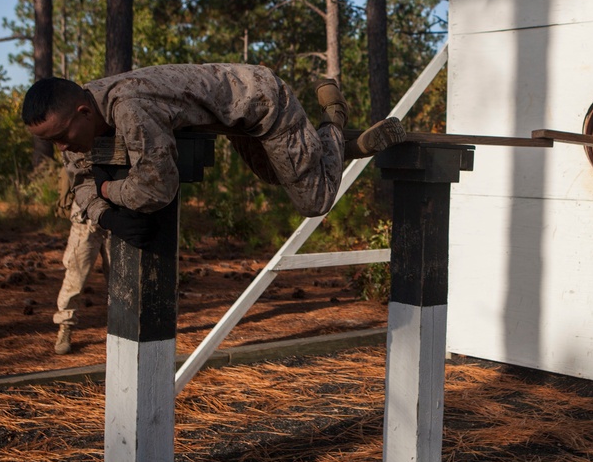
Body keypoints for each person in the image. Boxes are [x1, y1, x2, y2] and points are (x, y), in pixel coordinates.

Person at [21, 64, 405, 247]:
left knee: (314, 199)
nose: (61, 149)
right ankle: (344, 149)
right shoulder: (79, 108)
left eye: (60, 137)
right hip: (228, 117)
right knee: (277, 174)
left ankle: (333, 121)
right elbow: (80, 178)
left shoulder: (129, 107)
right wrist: (106, 217)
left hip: (261, 102)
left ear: (84, 114)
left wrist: (108, 192)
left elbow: (157, 187)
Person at [52, 154, 109, 354]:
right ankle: (65, 326)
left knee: (121, 280)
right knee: (76, 275)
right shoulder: (79, 130)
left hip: (117, 213)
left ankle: (122, 329)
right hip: (85, 215)